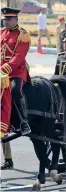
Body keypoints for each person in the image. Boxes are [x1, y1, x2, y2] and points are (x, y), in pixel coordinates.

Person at [1, 7, 32, 168]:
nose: (5, 21)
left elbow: (19, 57)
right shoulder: (1, 33)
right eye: (4, 19)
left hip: (16, 72)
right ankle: (8, 159)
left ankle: (23, 122)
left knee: (14, 91)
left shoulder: (23, 35)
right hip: (0, 73)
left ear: (16, 19)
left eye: (9, 19)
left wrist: (4, 69)